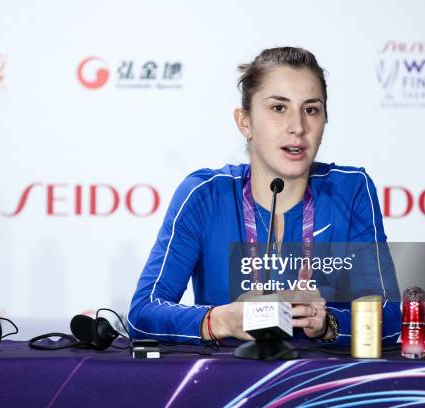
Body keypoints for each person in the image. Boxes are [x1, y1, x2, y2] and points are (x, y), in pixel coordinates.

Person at [128, 47, 401, 345]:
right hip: (225, 383)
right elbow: (142, 314)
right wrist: (219, 320)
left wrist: (328, 324)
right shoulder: (204, 194)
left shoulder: (351, 188)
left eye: (311, 110)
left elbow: (390, 318)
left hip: (321, 382)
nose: (298, 127)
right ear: (245, 121)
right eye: (278, 108)